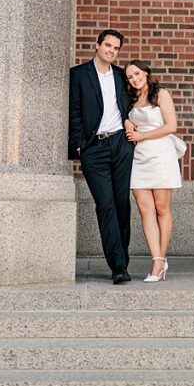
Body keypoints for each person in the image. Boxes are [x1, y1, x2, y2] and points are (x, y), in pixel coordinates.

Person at [68, 29, 136, 284]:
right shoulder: (78, 75)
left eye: (116, 48)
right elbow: (74, 110)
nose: (111, 51)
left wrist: (129, 122)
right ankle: (117, 265)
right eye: (108, 45)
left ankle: (122, 261)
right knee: (105, 205)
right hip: (93, 148)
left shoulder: (121, 76)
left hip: (120, 144)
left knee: (122, 205)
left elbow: (129, 106)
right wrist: (78, 145)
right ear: (97, 46)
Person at [125, 59, 183, 282]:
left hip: (160, 154)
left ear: (146, 73)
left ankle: (159, 261)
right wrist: (127, 123)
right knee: (143, 208)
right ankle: (156, 257)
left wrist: (141, 136)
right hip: (139, 158)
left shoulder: (161, 94)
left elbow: (171, 126)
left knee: (161, 208)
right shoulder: (131, 98)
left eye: (137, 74)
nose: (135, 79)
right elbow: (124, 117)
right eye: (130, 77)